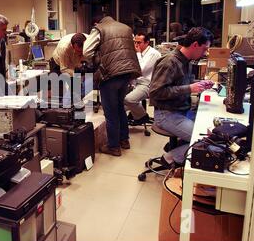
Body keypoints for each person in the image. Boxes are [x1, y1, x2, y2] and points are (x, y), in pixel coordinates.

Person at [149, 27, 214, 165]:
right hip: (166, 114)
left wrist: (199, 84)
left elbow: (182, 84)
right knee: (205, 139)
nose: (205, 52)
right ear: (195, 44)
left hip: (182, 110)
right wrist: (190, 88)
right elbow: (155, 92)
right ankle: (170, 157)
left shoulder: (187, 61)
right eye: (204, 48)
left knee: (211, 130)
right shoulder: (170, 62)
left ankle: (179, 145)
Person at [83, 16, 142, 156]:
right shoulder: (126, 28)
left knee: (110, 111)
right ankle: (124, 140)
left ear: (97, 22)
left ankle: (113, 146)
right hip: (127, 72)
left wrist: (97, 58)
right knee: (120, 106)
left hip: (110, 73)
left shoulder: (99, 29)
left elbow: (86, 52)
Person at [124, 32, 161, 124]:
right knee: (117, 102)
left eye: (139, 42)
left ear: (147, 42)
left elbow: (140, 69)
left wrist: (136, 54)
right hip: (135, 82)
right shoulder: (138, 52)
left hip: (147, 83)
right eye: (135, 42)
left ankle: (142, 117)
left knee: (129, 100)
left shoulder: (153, 53)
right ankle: (132, 115)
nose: (136, 45)